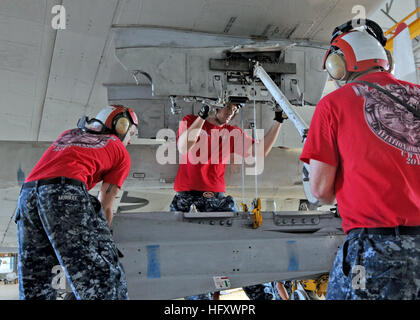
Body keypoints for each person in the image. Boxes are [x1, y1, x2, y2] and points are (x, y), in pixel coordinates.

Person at [300, 19, 420, 300]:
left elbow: (320, 192)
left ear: (338, 64)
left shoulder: (333, 105)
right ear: (384, 60)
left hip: (373, 252)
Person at [15, 105, 138, 300]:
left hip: (27, 197)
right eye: (130, 134)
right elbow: (105, 204)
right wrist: (98, 243)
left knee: (36, 282)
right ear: (121, 128)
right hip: (64, 195)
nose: (129, 140)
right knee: (100, 280)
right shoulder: (118, 149)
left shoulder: (69, 134)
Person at [170, 102, 286, 300]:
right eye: (229, 107)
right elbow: (184, 147)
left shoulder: (232, 133)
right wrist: (202, 116)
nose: (232, 112)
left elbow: (259, 154)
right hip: (187, 197)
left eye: (236, 109)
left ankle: (262, 296)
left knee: (240, 246)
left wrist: (278, 121)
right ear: (216, 105)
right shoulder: (190, 121)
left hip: (216, 198)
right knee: (189, 256)